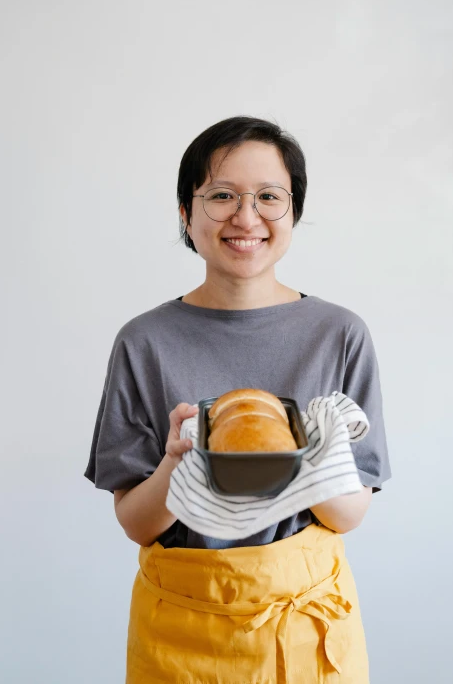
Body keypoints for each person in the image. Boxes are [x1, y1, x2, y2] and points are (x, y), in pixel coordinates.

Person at [84, 115, 391, 683]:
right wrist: (177, 464)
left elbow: (349, 516)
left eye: (269, 197)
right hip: (181, 627)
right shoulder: (143, 341)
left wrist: (316, 451)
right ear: (186, 213)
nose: (246, 217)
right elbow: (135, 521)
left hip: (306, 627)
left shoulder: (340, 334)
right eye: (221, 195)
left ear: (293, 211)